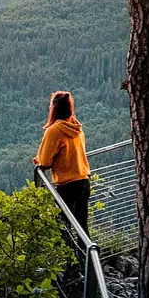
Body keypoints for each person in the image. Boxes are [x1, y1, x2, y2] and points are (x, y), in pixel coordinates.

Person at [33, 90, 91, 234]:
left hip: (67, 185)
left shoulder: (54, 131)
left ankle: (69, 250)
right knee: (82, 228)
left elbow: (44, 161)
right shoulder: (77, 127)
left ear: (53, 108)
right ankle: (87, 250)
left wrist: (38, 159)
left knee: (64, 228)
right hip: (84, 180)